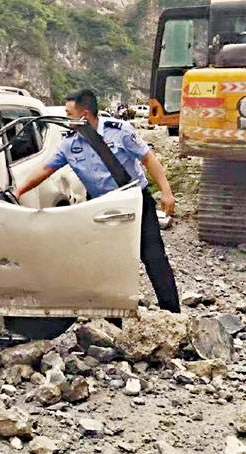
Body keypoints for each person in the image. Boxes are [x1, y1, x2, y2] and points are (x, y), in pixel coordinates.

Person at [15, 89, 181, 313]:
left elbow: (148, 159)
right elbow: (45, 169)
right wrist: (19, 192)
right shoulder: (69, 144)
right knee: (108, 263)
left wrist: (166, 192)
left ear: (85, 114)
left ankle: (172, 315)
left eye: (68, 113)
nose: (66, 118)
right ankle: (113, 320)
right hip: (101, 207)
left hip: (135, 202)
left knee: (153, 258)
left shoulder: (120, 132)